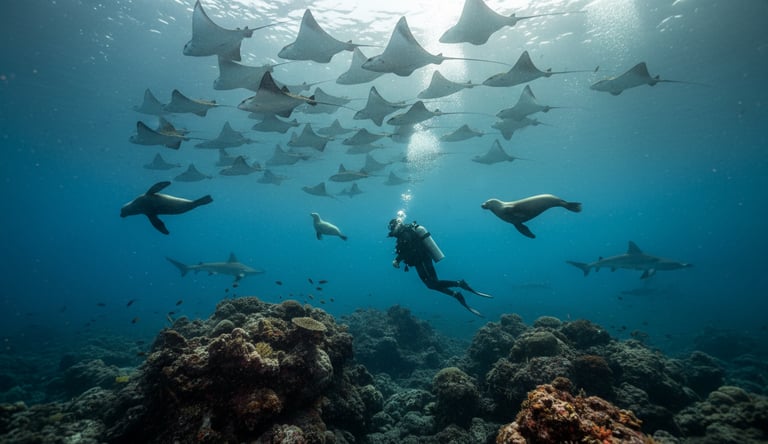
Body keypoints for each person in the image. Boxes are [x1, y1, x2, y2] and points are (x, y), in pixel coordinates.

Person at [387, 218, 492, 316]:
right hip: (419, 261)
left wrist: (397, 259)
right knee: (431, 285)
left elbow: (409, 249)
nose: (392, 231)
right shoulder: (404, 233)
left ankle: (459, 284)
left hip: (422, 260)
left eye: (392, 228)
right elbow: (407, 249)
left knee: (433, 283)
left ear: (396, 226)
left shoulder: (405, 233)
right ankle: (455, 294)